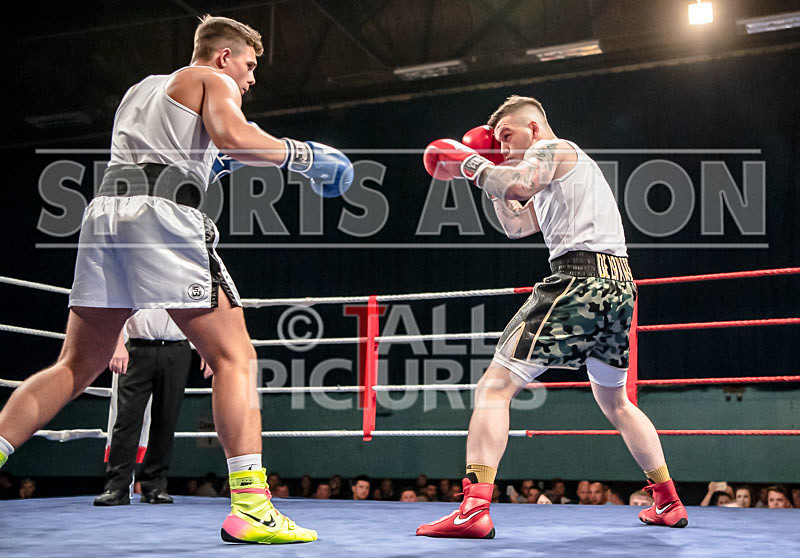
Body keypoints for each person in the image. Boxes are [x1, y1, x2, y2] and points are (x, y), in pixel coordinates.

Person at [0, 14, 352, 545]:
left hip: (106, 214)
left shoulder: (140, 91)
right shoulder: (211, 79)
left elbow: (179, 154)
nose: (250, 80)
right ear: (223, 57)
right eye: (249, 66)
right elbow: (236, 136)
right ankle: (253, 508)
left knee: (76, 365)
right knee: (237, 357)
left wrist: (215, 162)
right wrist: (302, 156)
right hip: (162, 216)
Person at [417, 95, 688, 539]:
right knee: (616, 403)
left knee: (493, 387)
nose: (502, 146)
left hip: (577, 278)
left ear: (534, 127)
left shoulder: (551, 149)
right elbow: (515, 222)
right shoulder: (555, 174)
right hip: (619, 286)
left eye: (507, 136)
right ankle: (668, 502)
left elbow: (518, 184)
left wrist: (469, 162)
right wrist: (484, 170)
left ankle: (472, 510)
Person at [94, 309, 196, 506]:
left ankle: (154, 486)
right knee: (126, 418)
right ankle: (117, 487)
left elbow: (199, 310)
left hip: (177, 349)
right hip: (136, 347)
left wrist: (208, 351)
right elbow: (116, 308)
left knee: (166, 419)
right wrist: (117, 346)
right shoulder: (134, 276)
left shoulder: (184, 278)